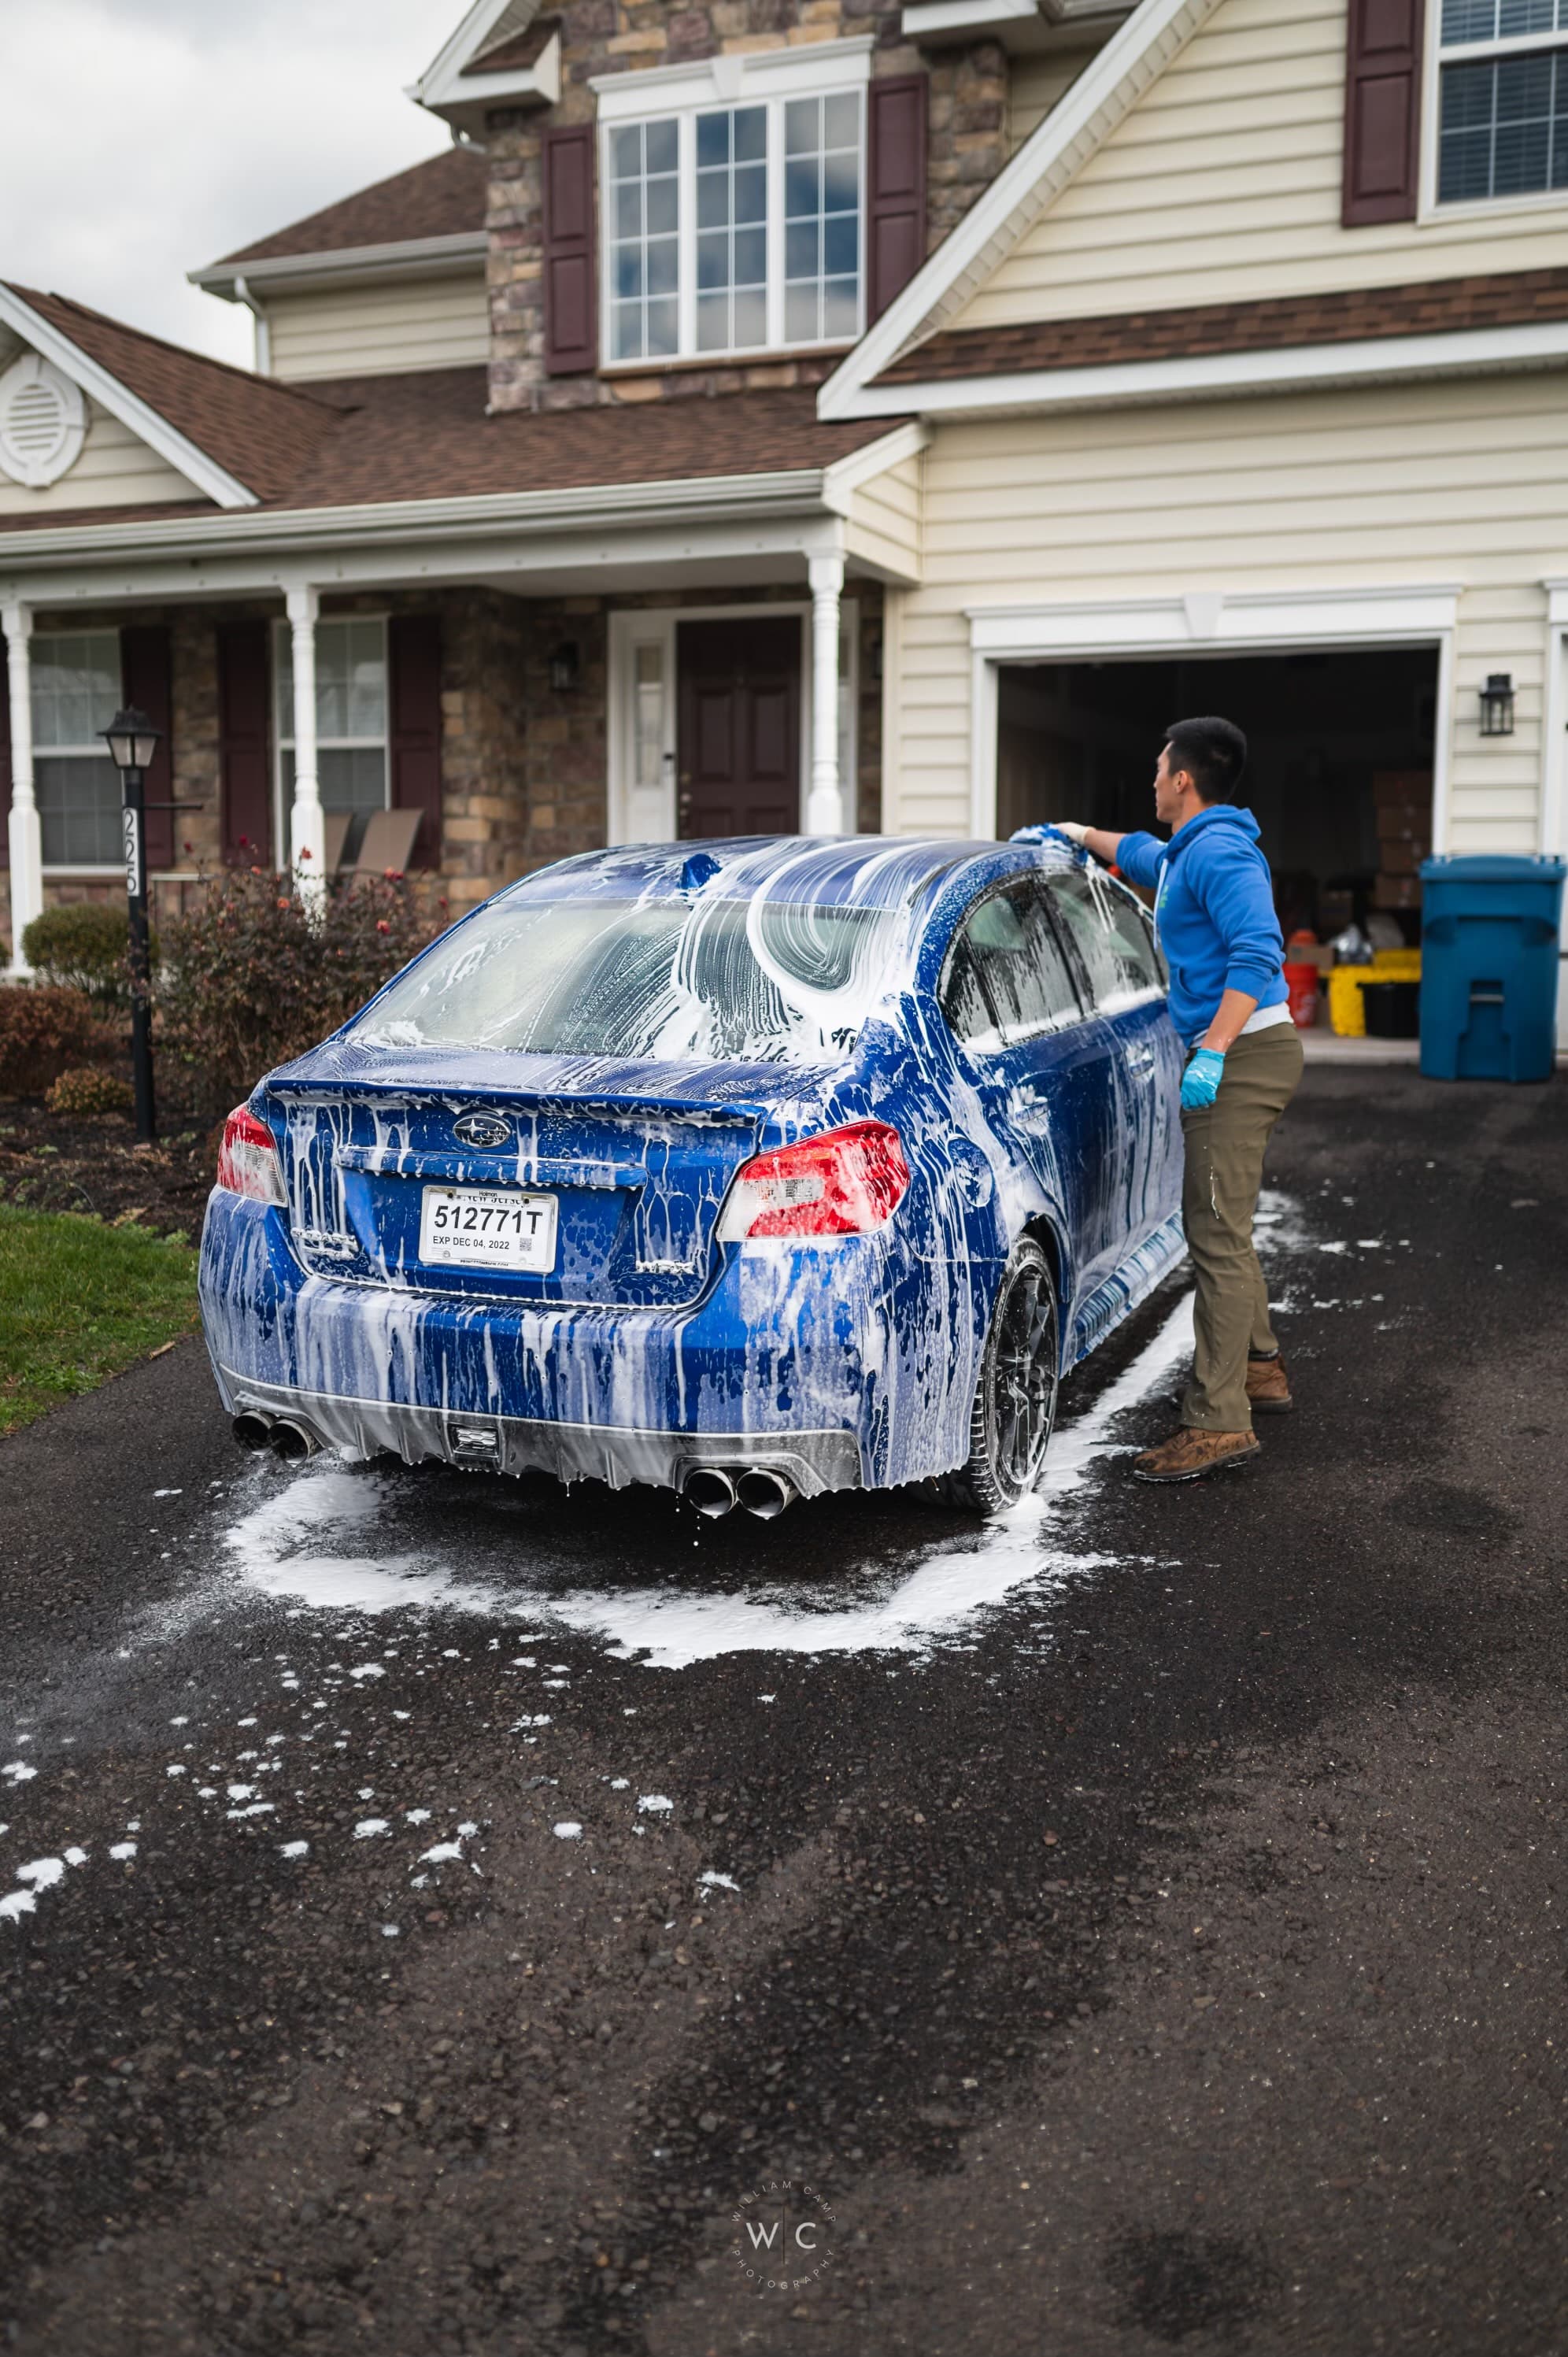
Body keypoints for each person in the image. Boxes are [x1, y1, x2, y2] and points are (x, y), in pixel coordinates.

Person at [1054, 716, 1303, 1484]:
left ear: (1184, 780)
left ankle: (1218, 1420)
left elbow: (1262, 950)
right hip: (1243, 1049)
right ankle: (1260, 1369)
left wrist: (1216, 1051)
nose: (1154, 779)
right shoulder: (1193, 847)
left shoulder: (1222, 852)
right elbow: (1144, 853)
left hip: (1244, 1054)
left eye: (1161, 770)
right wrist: (1075, 832)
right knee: (1226, 1225)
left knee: (1215, 1234)